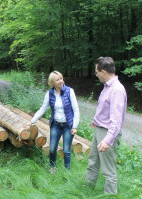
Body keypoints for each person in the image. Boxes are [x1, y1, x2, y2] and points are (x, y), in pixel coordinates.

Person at [86, 57, 127, 194]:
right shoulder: (107, 87)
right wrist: (96, 121)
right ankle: (88, 190)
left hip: (107, 133)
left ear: (103, 71)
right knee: (93, 162)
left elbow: (116, 121)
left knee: (108, 170)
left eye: (96, 72)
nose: (96, 74)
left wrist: (108, 140)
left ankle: (110, 195)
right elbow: (105, 110)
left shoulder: (117, 90)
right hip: (100, 129)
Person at [25, 71, 80, 173]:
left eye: (61, 78)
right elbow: (43, 108)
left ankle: (67, 172)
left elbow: (76, 109)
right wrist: (32, 121)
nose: (60, 81)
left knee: (66, 150)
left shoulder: (69, 91)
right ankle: (52, 168)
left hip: (68, 125)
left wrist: (75, 126)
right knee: (52, 148)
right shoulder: (49, 94)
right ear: (52, 83)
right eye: (57, 80)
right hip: (56, 125)